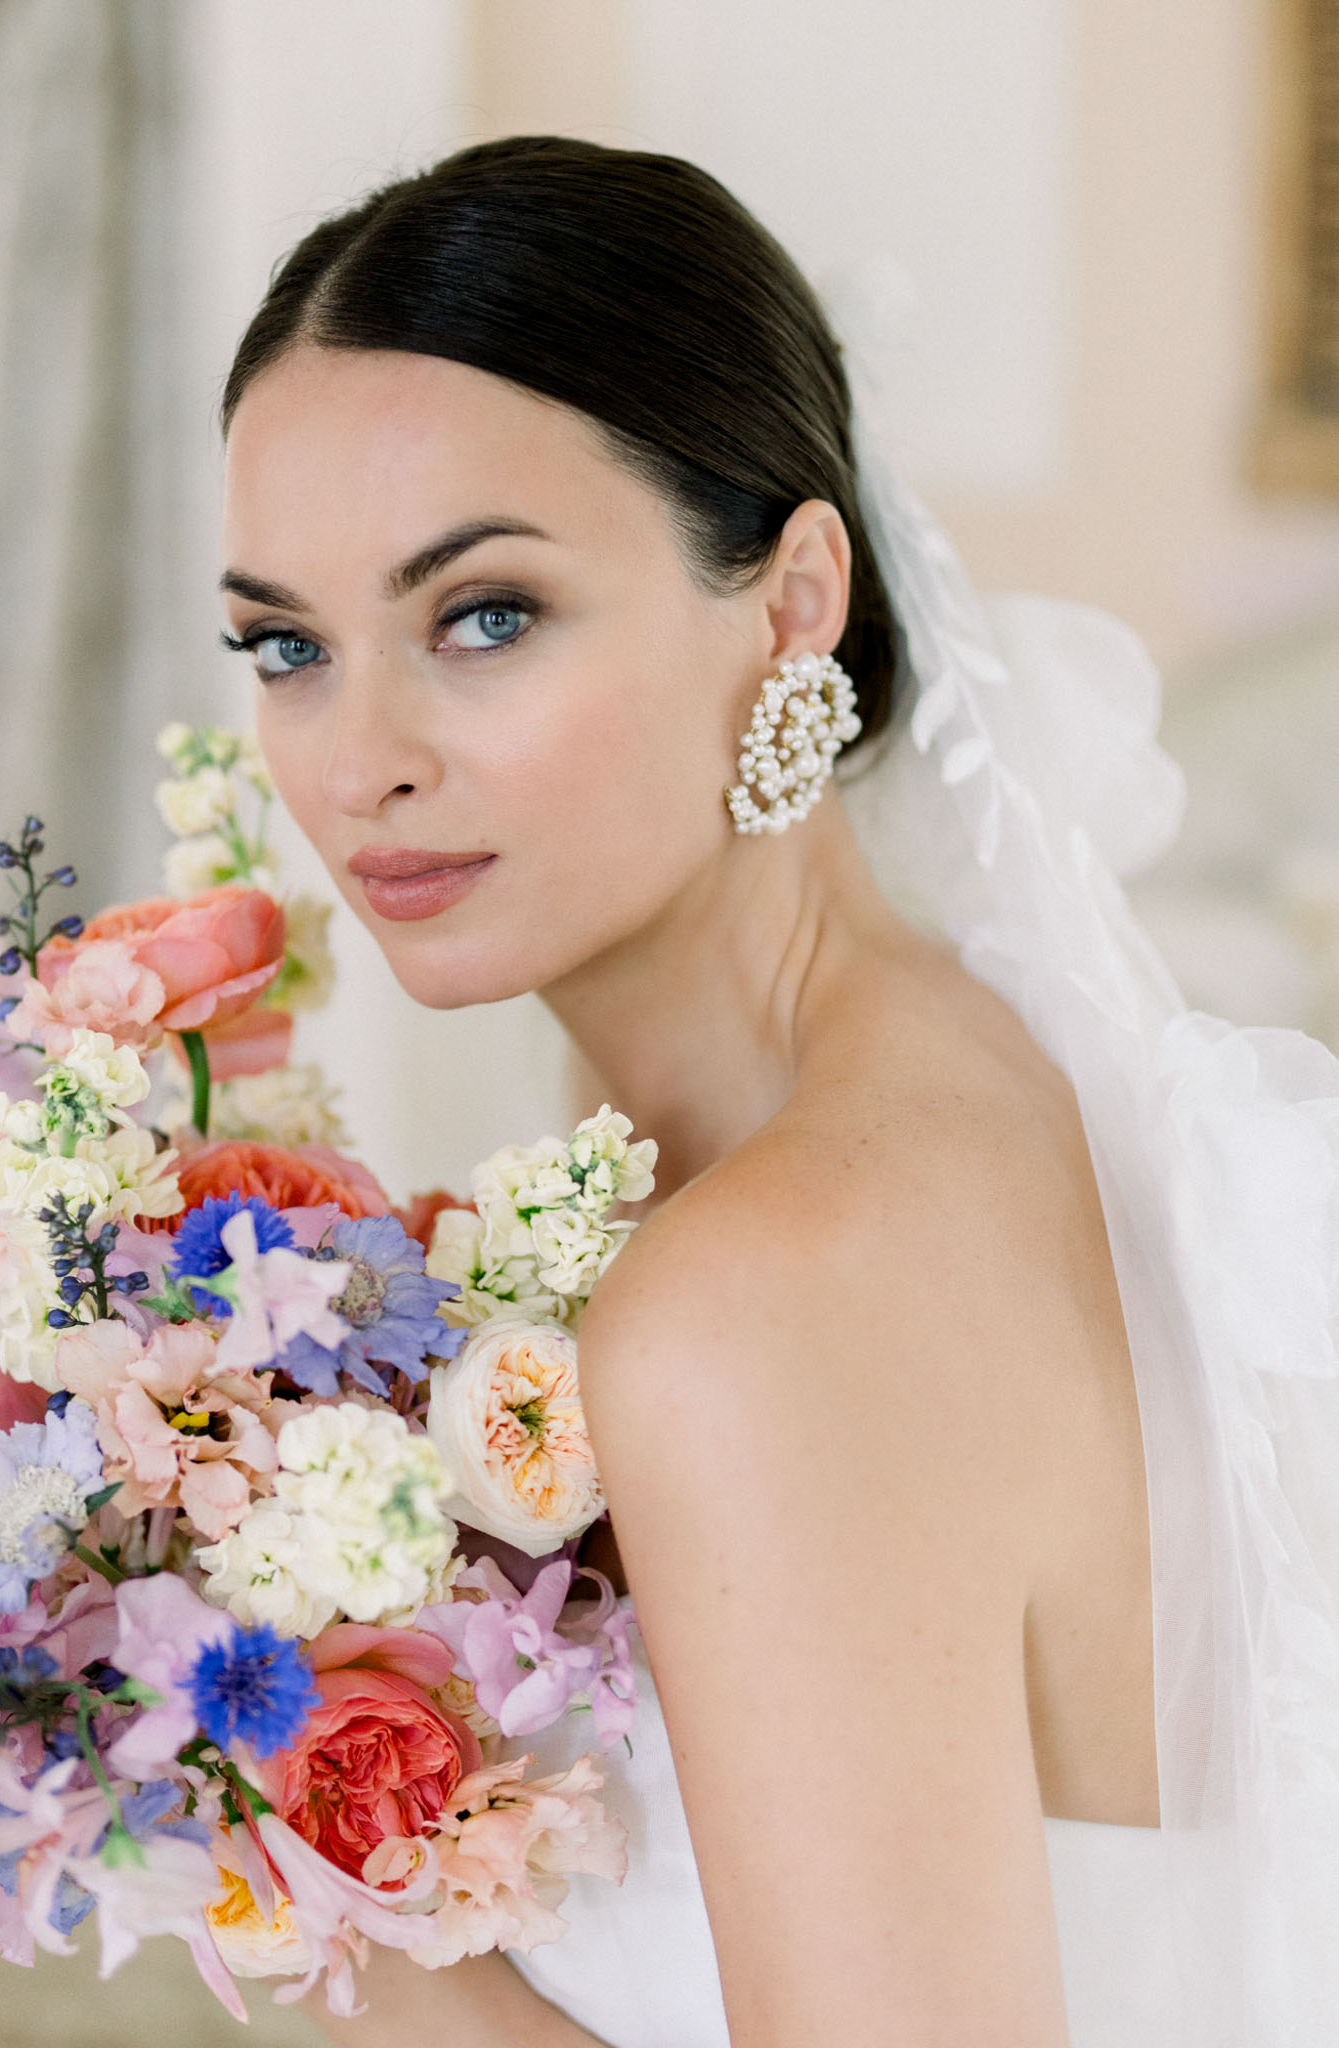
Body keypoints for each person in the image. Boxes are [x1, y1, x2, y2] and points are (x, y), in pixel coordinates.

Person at [212, 136, 1339, 2047]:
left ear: (794, 598)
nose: (354, 759)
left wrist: (321, 1903)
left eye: (483, 615)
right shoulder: (928, 1072)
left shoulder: (772, 1293)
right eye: (286, 646)